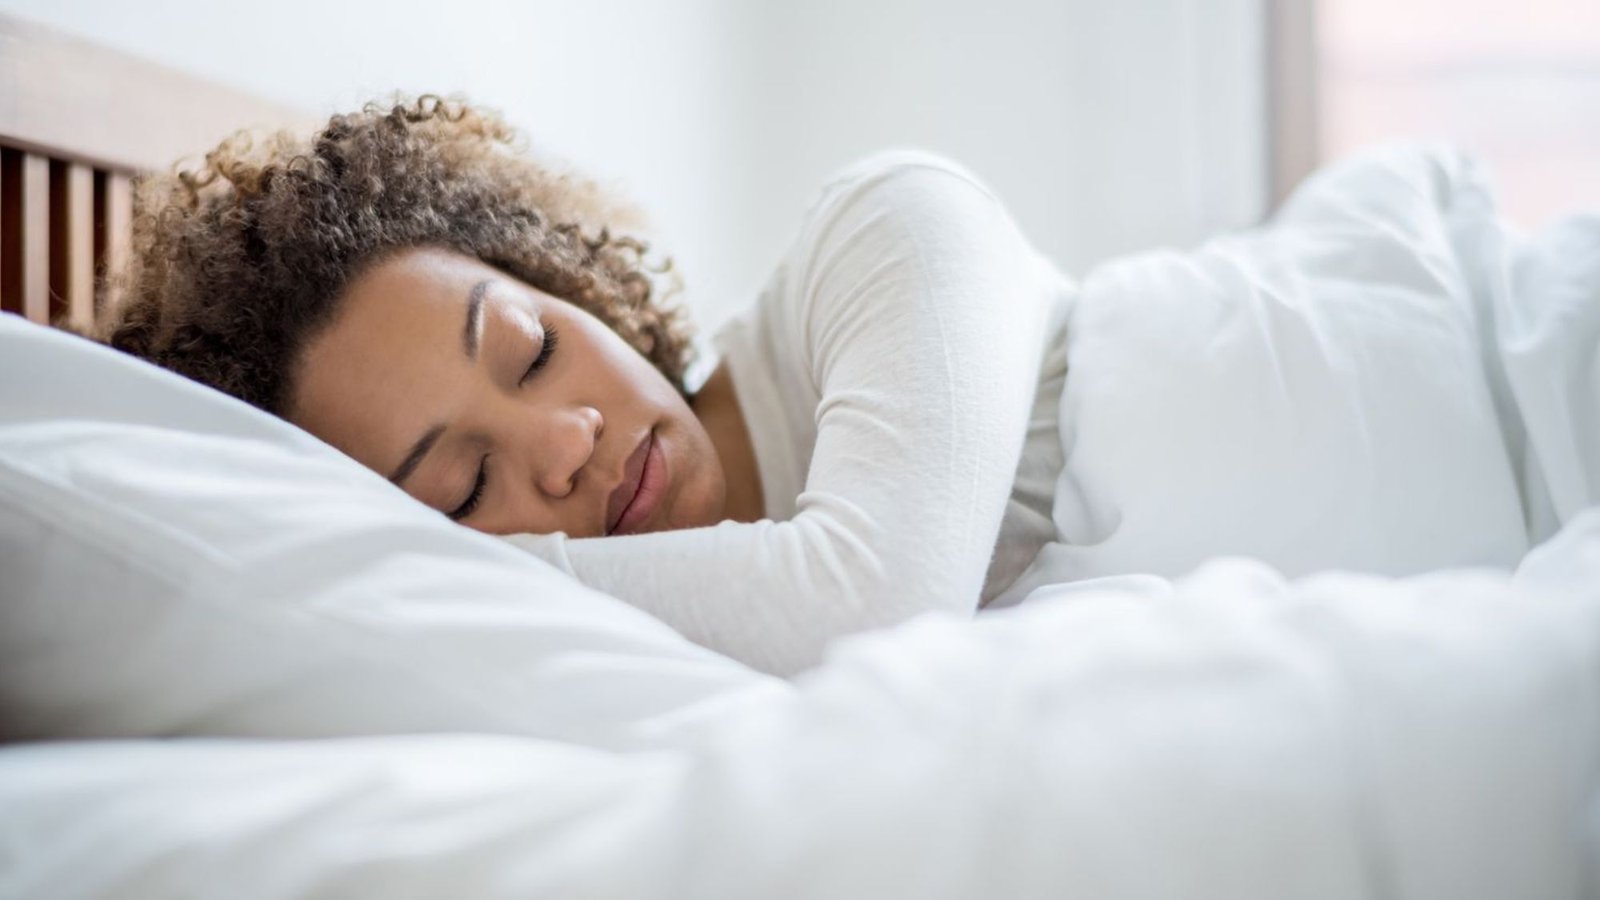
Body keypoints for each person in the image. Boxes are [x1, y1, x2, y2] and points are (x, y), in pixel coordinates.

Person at [101, 95, 1073, 676]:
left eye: (531, 350)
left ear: (566, 284)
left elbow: (873, 609)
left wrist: (447, 571)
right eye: (466, 490)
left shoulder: (887, 225)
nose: (566, 441)